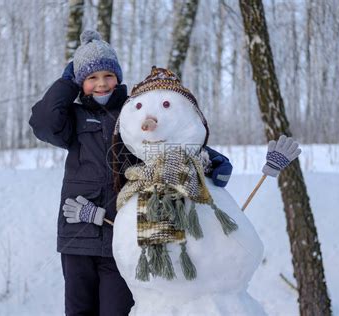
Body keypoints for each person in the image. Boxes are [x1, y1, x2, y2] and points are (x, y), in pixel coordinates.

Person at [28, 30, 233, 316]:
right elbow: (43, 122)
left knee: (116, 311)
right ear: (79, 82)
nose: (101, 84)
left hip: (121, 234)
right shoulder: (72, 118)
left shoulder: (131, 113)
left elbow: (166, 142)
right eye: (91, 77)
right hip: (78, 235)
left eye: (108, 76)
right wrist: (65, 84)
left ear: (118, 77)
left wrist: (208, 157)